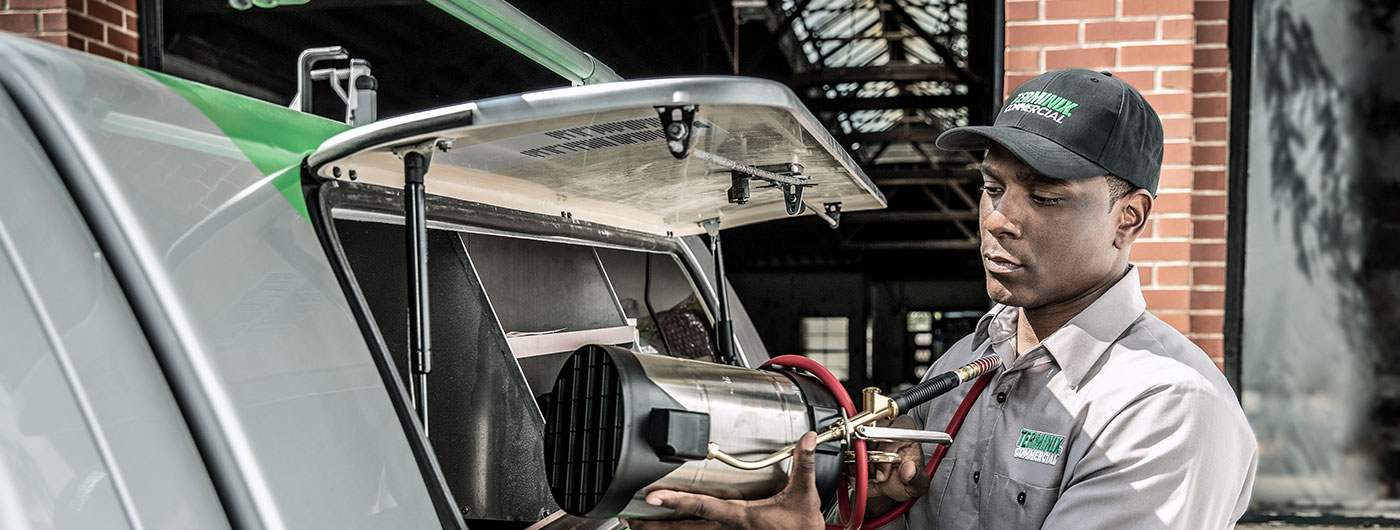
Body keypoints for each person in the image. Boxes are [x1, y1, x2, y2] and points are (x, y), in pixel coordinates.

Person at [629, 69, 1258, 529]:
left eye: (1044, 197)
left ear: (1129, 216)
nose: (999, 220)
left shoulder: (1164, 410)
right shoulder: (969, 361)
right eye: (992, 187)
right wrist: (860, 509)